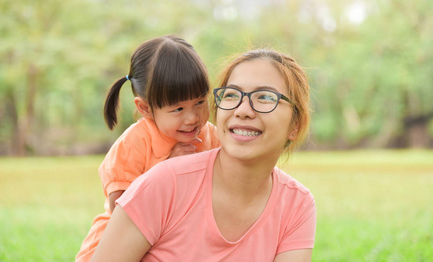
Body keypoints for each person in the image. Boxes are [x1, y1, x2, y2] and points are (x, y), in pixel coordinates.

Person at [91, 48, 316, 262]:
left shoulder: (297, 205)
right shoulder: (164, 182)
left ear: (295, 124)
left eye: (265, 97)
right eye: (231, 95)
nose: (243, 110)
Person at [75, 35, 220, 261]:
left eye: (200, 102)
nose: (193, 117)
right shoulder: (136, 142)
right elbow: (119, 204)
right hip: (120, 242)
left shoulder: (210, 135)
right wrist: (167, 168)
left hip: (177, 239)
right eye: (178, 109)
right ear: (145, 108)